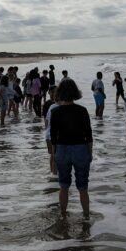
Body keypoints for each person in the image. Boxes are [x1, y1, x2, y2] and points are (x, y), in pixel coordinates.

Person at [50, 79, 92, 219]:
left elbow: (53, 137)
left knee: (63, 186)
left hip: (62, 149)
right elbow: (89, 134)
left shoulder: (55, 111)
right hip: (80, 148)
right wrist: (89, 153)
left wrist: (55, 157)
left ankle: (63, 215)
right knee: (83, 188)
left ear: (60, 92)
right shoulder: (82, 110)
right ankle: (86, 216)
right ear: (75, 92)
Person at [43, 86, 58, 175]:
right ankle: (53, 173)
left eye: (55, 92)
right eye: (52, 92)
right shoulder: (48, 104)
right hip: (50, 133)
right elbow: (46, 119)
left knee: (53, 155)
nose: (54, 94)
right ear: (49, 93)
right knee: (53, 154)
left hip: (50, 133)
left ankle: (53, 173)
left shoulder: (57, 104)